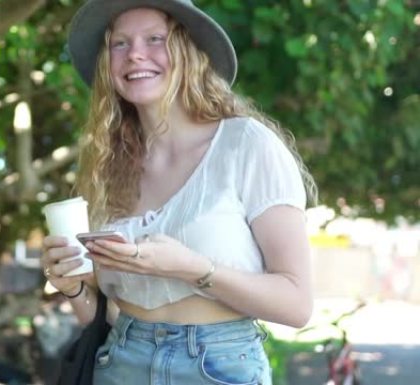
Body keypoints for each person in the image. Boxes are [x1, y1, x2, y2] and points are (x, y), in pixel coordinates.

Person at [40, 1, 318, 384]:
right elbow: (112, 319)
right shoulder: (109, 163)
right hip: (120, 363)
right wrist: (73, 289)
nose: (135, 53)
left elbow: (297, 304)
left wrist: (192, 268)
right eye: (120, 43)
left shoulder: (245, 145)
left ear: (188, 52)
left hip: (217, 367)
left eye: (155, 39)